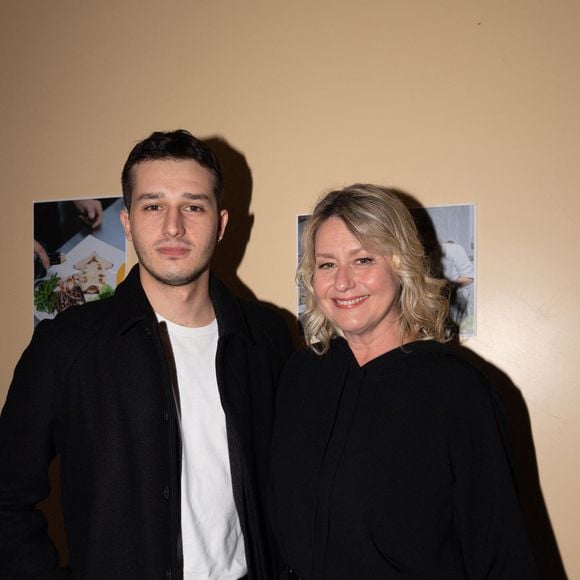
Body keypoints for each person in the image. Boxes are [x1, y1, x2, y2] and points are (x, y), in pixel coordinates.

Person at [0, 130, 293, 579]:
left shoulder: (266, 338)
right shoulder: (67, 346)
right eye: (153, 205)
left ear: (221, 223)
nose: (173, 226)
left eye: (193, 206)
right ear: (128, 222)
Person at [269, 184, 538, 579]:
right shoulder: (301, 374)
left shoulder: (457, 390)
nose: (342, 282)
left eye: (362, 260)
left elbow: (498, 550)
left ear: (401, 265)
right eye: (327, 264)